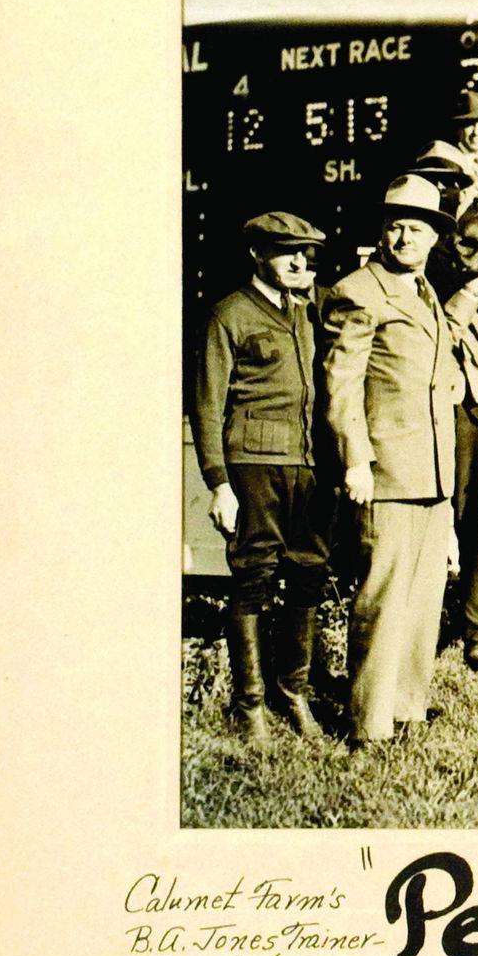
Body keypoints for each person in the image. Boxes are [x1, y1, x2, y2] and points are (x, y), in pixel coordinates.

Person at [321, 176, 465, 756]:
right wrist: (355, 457)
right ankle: (368, 723)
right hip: (387, 471)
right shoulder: (358, 291)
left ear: (434, 237)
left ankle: (407, 709)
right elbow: (341, 383)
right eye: (395, 224)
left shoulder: (426, 291)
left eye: (418, 227)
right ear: (381, 229)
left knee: (423, 599)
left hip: (431, 474)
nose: (404, 236)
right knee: (382, 600)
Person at [192, 212, 332, 746]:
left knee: (307, 576)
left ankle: (292, 694)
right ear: (257, 255)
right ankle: (249, 704)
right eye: (285, 252)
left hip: (311, 464)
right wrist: (218, 483)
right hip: (253, 465)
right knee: (253, 577)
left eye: (307, 254)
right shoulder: (228, 315)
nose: (300, 262)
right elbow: (207, 405)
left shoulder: (310, 312)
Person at [412, 98, 478, 673]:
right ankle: (421, 627)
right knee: (426, 522)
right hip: (433, 400)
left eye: (456, 188)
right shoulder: (414, 259)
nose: (451, 195)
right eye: (439, 187)